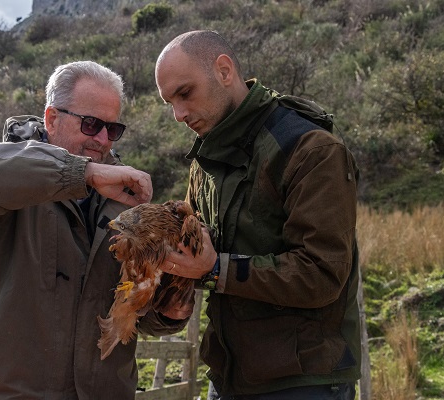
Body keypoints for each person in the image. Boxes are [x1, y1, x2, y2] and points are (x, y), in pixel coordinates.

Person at [0, 60, 194, 400]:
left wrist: (169, 308)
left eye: (113, 129)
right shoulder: (0, 174)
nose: (103, 140)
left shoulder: (126, 205)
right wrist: (83, 174)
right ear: (51, 118)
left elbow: (127, 311)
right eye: (91, 125)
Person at [155, 30, 361, 399]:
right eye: (170, 101)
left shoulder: (310, 149)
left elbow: (322, 273)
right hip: (227, 378)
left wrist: (217, 270)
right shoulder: (205, 162)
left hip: (303, 382)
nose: (178, 114)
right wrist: (169, 288)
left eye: (185, 93)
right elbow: (199, 257)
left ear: (223, 70)